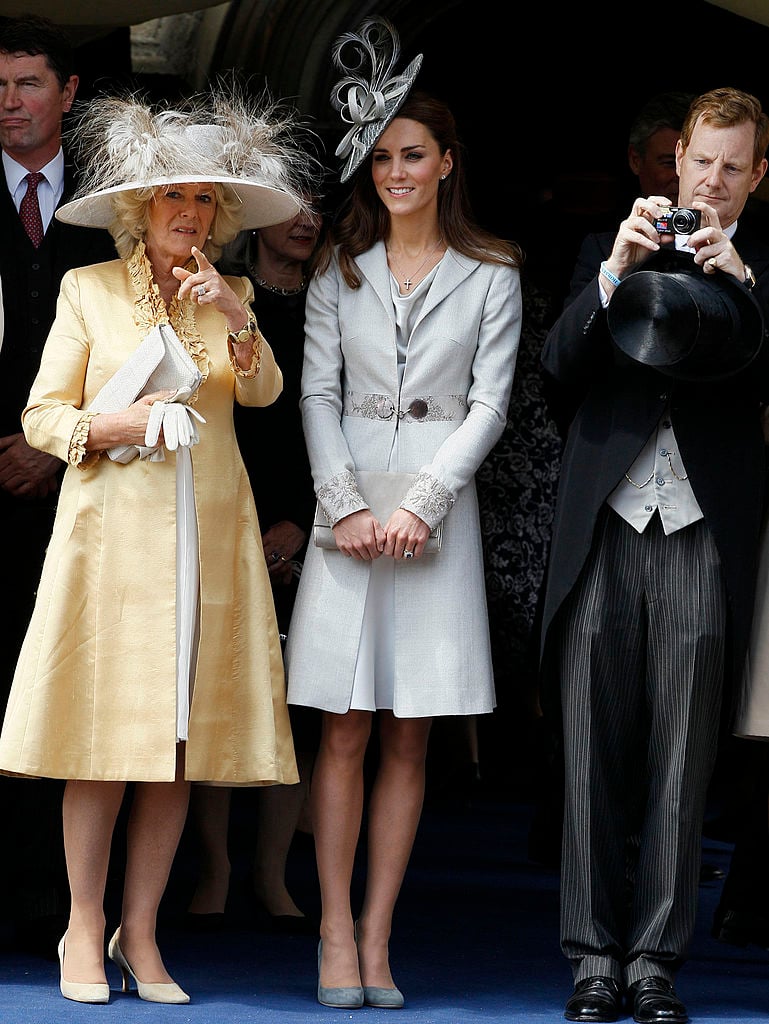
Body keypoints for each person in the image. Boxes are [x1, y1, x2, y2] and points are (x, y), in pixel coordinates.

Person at [0, 86, 316, 1004]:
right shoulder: (88, 290)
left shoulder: (234, 293)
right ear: (142, 207)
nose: (190, 211)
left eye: (205, 198)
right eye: (173, 194)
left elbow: (262, 394)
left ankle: (141, 933)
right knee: (102, 746)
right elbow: (42, 417)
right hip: (111, 545)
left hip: (208, 541)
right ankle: (83, 924)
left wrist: (233, 312)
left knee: (177, 750)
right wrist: (115, 424)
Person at [283, 16, 522, 1010]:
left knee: (411, 733)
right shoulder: (337, 268)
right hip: (346, 511)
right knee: (340, 730)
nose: (395, 173)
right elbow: (316, 393)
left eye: (412, 155)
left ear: (446, 162)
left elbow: (490, 406)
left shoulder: (494, 271)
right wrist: (342, 506)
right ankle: (333, 930)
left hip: (436, 513)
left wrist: (424, 504)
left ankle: (379, 935)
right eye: (381, 157)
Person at [538, 86, 769, 1024]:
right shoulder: (608, 247)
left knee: (683, 753)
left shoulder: (765, 266)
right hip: (608, 520)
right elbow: (555, 372)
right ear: (673, 161)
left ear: (757, 174)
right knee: (589, 747)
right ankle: (592, 958)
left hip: (703, 529)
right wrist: (612, 275)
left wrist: (744, 287)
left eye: (730, 166)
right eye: (699, 160)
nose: (710, 181)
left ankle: (655, 964)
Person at [0, 13, 117, 960]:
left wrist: (59, 446)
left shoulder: (116, 205)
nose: (9, 103)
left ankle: (55, 904)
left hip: (92, 487)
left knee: (69, 688)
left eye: (28, 83)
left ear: (69, 93)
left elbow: (153, 337)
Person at [185, 203, 323, 933]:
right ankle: (214, 868)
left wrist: (304, 521)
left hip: (314, 517)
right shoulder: (218, 290)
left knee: (298, 708)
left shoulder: (336, 298)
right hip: (224, 507)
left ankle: (271, 873)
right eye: (290, 206)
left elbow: (342, 421)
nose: (306, 220)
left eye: (317, 206)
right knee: (215, 694)